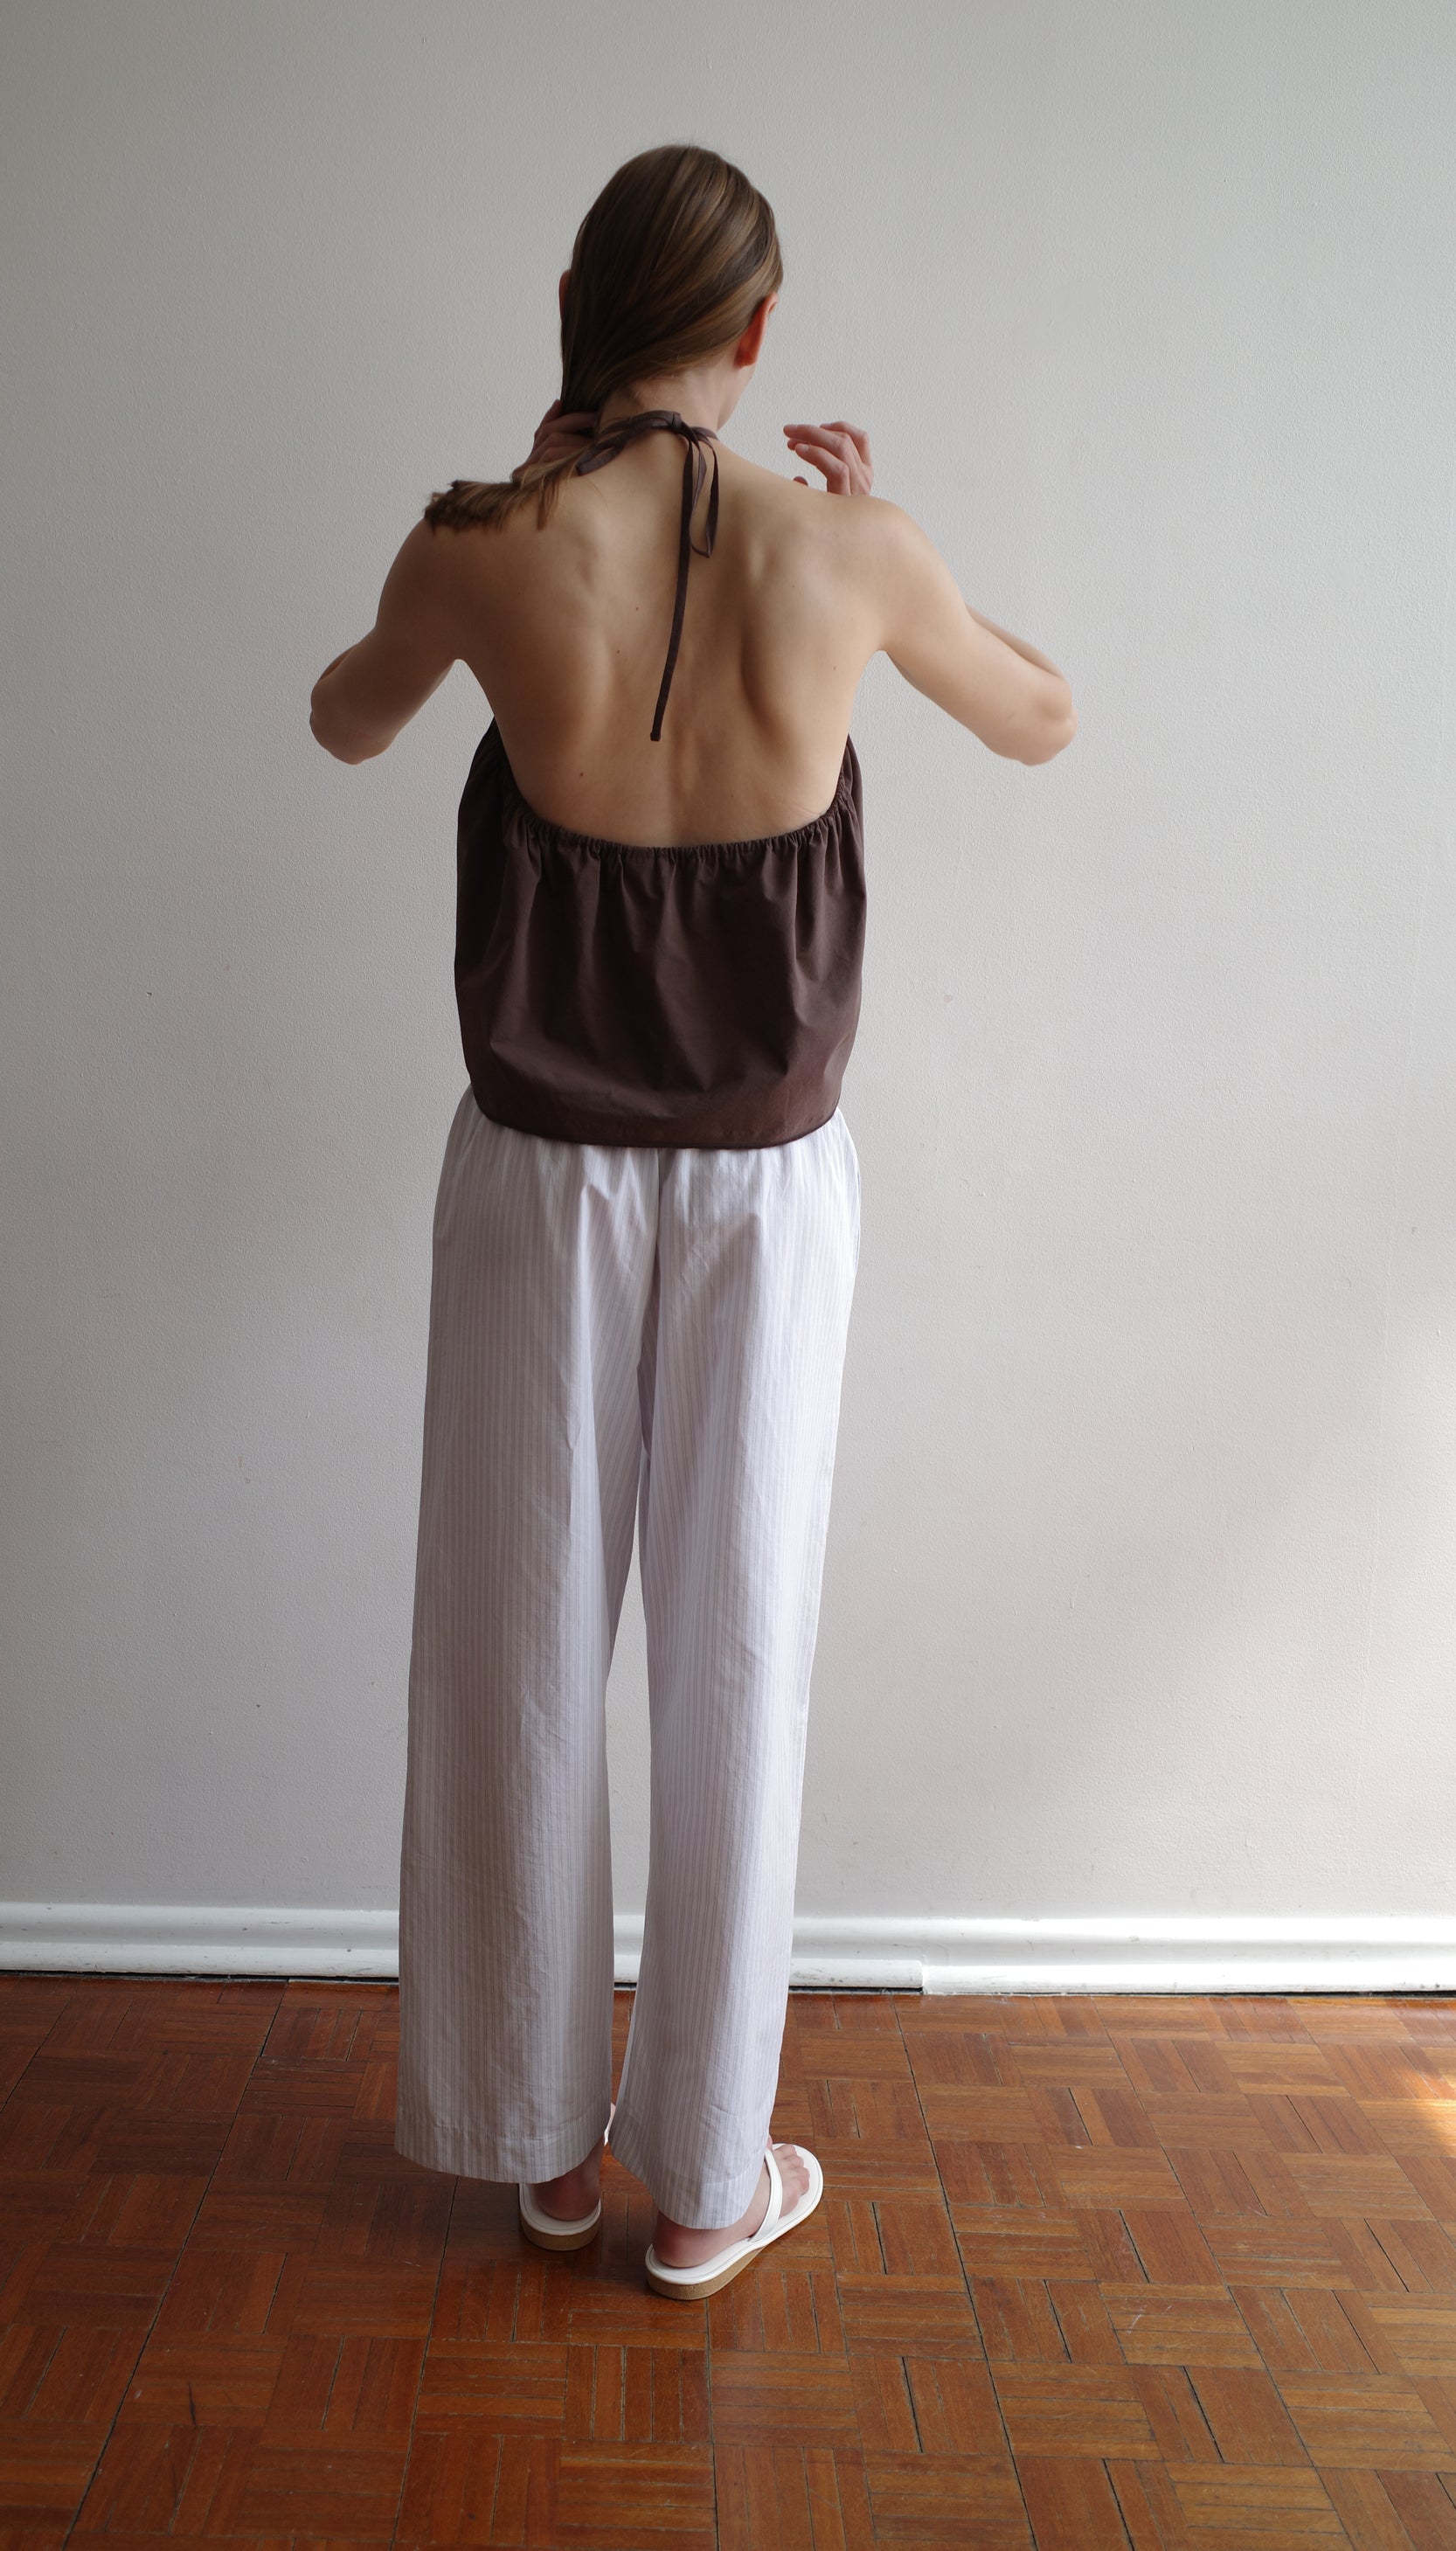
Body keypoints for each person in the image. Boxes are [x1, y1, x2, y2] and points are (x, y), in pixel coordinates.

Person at [309, 142, 1076, 2301]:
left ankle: (540, 2144)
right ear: (755, 329)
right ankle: (710, 2180)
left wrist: (499, 518)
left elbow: (343, 717)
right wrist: (889, 525)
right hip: (764, 1188)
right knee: (737, 1655)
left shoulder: (484, 546)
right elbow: (1042, 714)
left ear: (576, 307)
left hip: (534, 1180)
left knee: (518, 1637)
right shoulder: (853, 555)